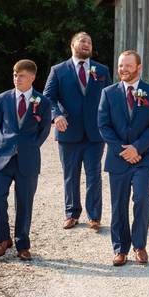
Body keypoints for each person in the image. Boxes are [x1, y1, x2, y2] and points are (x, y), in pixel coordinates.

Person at [98, 50, 149, 266]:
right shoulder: (108, 93)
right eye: (120, 66)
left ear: (139, 67)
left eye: (128, 65)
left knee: (141, 198)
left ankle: (140, 246)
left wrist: (137, 148)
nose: (123, 70)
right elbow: (104, 125)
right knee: (118, 204)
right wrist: (123, 150)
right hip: (118, 158)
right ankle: (120, 249)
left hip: (144, 157)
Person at [43, 32, 111, 231]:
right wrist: (56, 115)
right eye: (83, 41)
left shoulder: (101, 70)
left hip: (95, 133)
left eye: (90, 41)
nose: (87, 44)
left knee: (94, 174)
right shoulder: (58, 70)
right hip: (68, 132)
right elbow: (48, 97)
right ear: (72, 45)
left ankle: (94, 216)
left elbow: (110, 97)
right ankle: (71, 214)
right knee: (70, 174)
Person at [0, 60, 53, 260]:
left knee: (24, 203)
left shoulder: (43, 102)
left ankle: (22, 245)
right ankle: (3, 240)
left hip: (28, 159)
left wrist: (29, 146)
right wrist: (6, 144)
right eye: (15, 75)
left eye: (22, 75)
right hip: (3, 158)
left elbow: (44, 131)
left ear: (32, 77)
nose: (17, 79)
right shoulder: (2, 99)